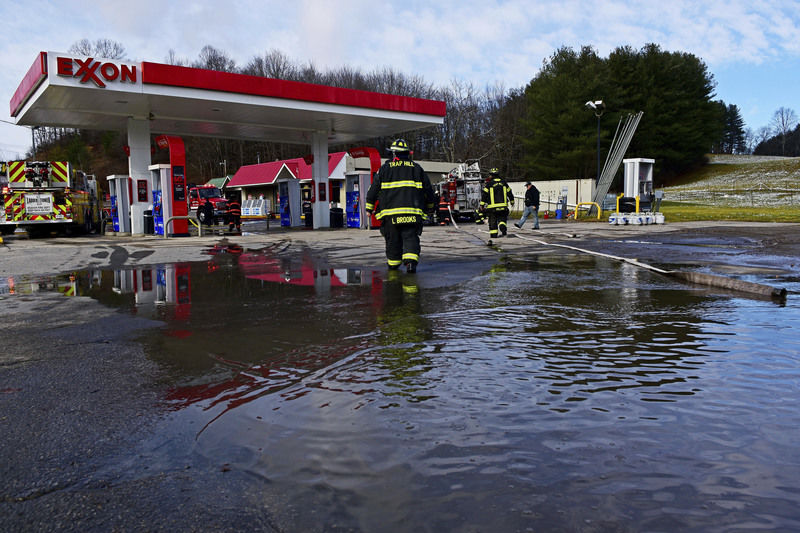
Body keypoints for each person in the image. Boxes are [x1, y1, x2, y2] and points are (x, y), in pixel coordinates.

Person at [366, 138, 435, 273]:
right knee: (410, 238)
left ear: (394, 154)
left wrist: (369, 208)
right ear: (407, 153)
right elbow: (428, 190)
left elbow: (373, 189)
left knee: (392, 241)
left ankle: (393, 264)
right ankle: (410, 264)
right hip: (412, 213)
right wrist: (431, 206)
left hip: (390, 215)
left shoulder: (385, 169)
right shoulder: (417, 169)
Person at [480, 168, 514, 239]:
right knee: (502, 219)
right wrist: (512, 201)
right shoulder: (504, 183)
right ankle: (502, 225)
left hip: (492, 208)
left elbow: (484, 195)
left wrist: (482, 205)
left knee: (493, 221)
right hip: (503, 207)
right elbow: (510, 193)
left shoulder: (489, 184)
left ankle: (494, 235)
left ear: (492, 175)